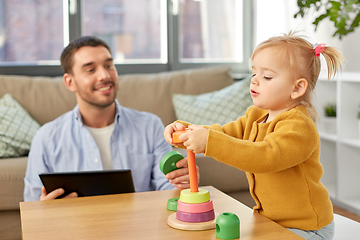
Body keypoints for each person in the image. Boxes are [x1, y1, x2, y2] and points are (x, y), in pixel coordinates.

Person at [164, 32, 343, 240]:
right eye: (254, 74)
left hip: (306, 228)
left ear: (297, 88)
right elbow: (223, 132)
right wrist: (187, 130)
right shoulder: (255, 115)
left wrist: (209, 142)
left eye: (266, 77)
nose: (255, 81)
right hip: (271, 222)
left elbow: (265, 156)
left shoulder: (300, 127)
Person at [24, 36, 197, 201]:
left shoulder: (150, 126)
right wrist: (45, 208)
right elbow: (32, 206)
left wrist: (185, 183)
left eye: (109, 66)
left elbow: (167, 189)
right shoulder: (46, 138)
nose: (104, 76)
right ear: (70, 82)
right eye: (90, 70)